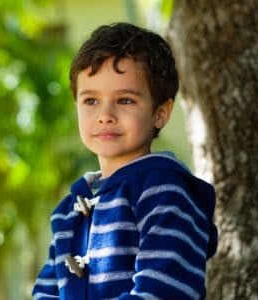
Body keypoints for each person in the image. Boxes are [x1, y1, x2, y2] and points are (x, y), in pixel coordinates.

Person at [32, 22, 218, 299]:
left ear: (160, 113)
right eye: (91, 101)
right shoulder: (68, 211)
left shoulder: (165, 192)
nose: (105, 114)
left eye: (125, 100)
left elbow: (165, 290)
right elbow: (46, 292)